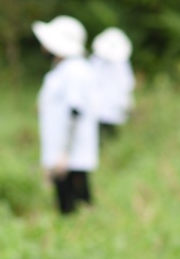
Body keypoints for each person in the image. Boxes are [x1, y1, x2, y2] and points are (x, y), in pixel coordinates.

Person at [33, 16, 98, 214]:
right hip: (64, 152)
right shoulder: (63, 68)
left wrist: (64, 152)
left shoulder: (75, 70)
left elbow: (75, 111)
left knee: (73, 207)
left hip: (70, 154)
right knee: (67, 204)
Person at [90, 28, 135, 140]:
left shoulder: (121, 63)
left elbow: (126, 83)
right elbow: (128, 83)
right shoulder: (96, 61)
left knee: (106, 133)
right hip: (98, 105)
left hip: (112, 106)